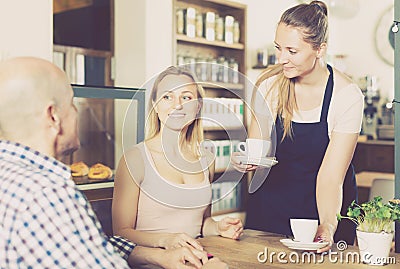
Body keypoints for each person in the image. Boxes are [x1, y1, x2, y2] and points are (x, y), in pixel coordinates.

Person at [0, 57, 227, 269]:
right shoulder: (48, 194)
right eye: (73, 103)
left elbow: (103, 245)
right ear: (53, 117)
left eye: (186, 97)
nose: (78, 111)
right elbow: (114, 244)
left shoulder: (13, 178)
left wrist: (164, 253)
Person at [231, 1, 364, 251]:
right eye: (278, 48)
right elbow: (258, 149)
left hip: (325, 208)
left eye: (292, 51)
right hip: (271, 208)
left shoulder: (346, 96)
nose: (281, 59)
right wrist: (248, 160)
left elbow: (331, 177)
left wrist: (327, 225)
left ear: (319, 49)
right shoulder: (269, 85)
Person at [112, 66, 243, 251]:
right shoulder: (135, 159)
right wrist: (165, 240)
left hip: (194, 258)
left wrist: (218, 227)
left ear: (197, 107)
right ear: (155, 106)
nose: (177, 105)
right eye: (167, 97)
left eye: (186, 97)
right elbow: (120, 232)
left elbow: (201, 222)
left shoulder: (206, 159)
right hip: (151, 262)